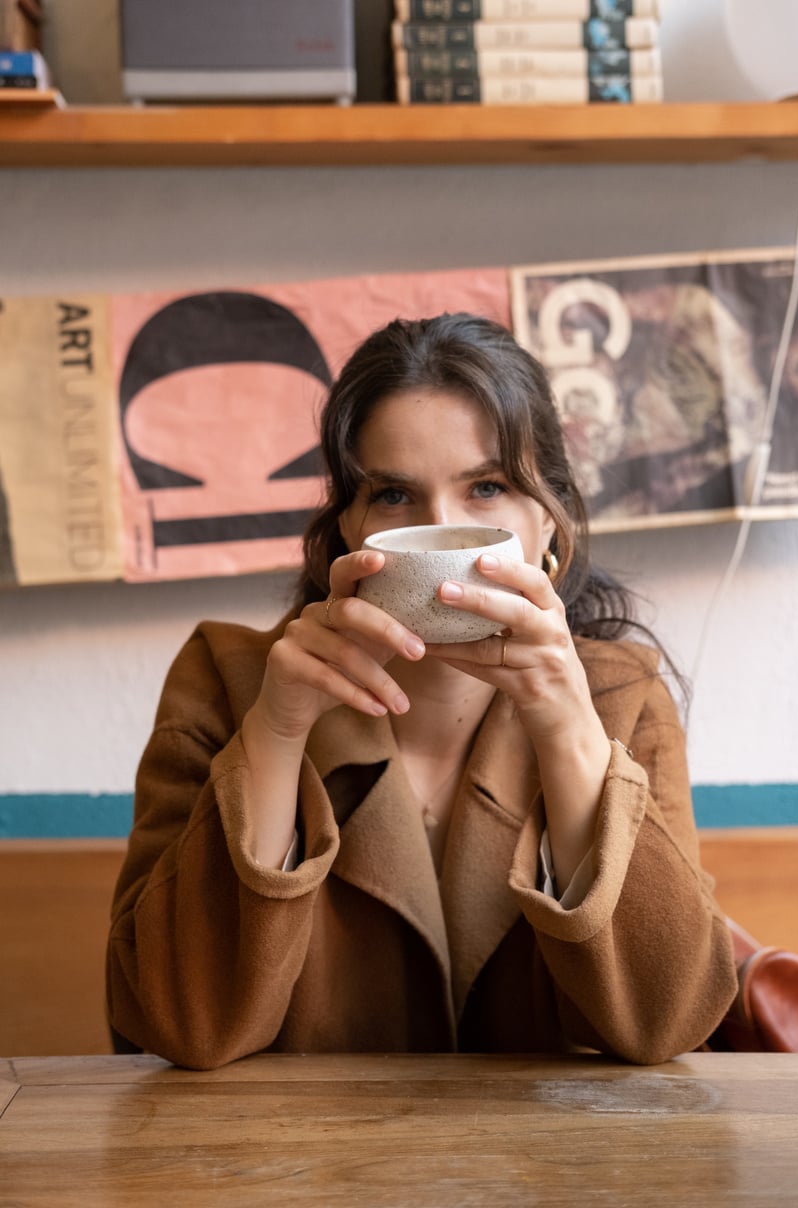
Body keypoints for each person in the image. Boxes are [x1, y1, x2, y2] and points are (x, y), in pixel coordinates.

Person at [106, 312, 738, 1070]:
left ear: (546, 520)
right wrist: (275, 737)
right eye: (396, 497)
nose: (442, 533)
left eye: (487, 487)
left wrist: (568, 733)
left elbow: (667, 1023)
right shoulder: (227, 681)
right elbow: (179, 1025)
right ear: (347, 527)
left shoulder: (618, 697)